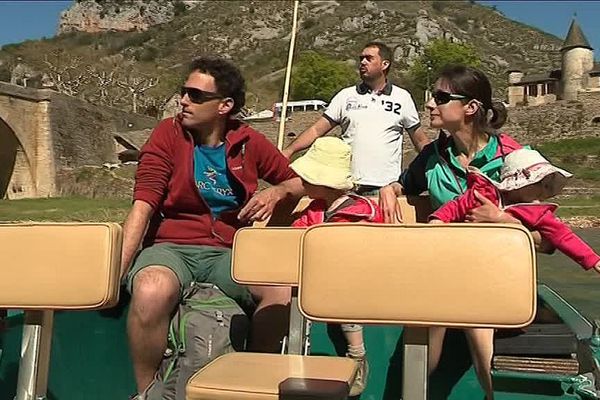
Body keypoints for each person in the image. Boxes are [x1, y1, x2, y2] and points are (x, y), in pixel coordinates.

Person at [120, 56, 304, 397]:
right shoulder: (167, 134)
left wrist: (275, 193)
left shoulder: (249, 142)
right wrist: (116, 271)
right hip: (171, 246)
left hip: (229, 252)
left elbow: (295, 184)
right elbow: (143, 203)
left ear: (225, 105)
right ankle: (147, 391)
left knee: (278, 293)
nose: (183, 100)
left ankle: (252, 385)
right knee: (151, 289)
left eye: (195, 95)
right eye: (183, 92)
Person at [377, 65, 543, 400]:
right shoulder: (434, 156)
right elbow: (404, 184)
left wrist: (500, 218)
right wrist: (387, 189)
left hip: (495, 273)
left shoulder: (512, 157)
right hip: (442, 270)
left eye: (440, 97)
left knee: (479, 329)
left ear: (471, 108)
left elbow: (544, 239)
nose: (429, 105)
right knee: (423, 331)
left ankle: (490, 388)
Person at [290, 136, 383, 396]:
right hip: (314, 277)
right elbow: (295, 237)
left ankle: (357, 353)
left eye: (309, 178)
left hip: (352, 281)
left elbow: (368, 248)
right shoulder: (314, 210)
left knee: (345, 293)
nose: (303, 182)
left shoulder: (362, 212)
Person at [282, 42, 430, 196]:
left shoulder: (402, 98)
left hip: (386, 190)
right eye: (361, 59)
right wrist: (289, 151)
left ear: (384, 64)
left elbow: (419, 140)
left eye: (368, 58)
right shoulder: (346, 96)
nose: (362, 62)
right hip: (348, 187)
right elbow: (316, 130)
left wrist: (437, 164)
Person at [430, 148, 600, 272]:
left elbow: (562, 236)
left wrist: (592, 259)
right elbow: (455, 206)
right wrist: (438, 219)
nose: (543, 192)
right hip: (465, 256)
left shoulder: (537, 212)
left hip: (502, 265)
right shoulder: (482, 194)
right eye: (538, 184)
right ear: (518, 185)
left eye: (546, 186)